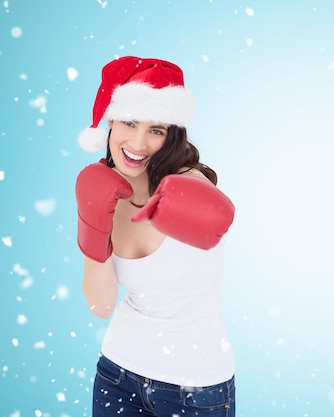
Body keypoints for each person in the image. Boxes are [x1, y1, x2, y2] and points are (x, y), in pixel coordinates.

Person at [75, 56, 236, 416]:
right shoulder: (100, 190)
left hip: (196, 387)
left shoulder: (188, 181)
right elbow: (100, 305)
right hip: (118, 374)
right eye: (129, 122)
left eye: (156, 130)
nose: (138, 142)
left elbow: (215, 212)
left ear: (171, 135)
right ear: (111, 120)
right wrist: (92, 223)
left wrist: (174, 204)